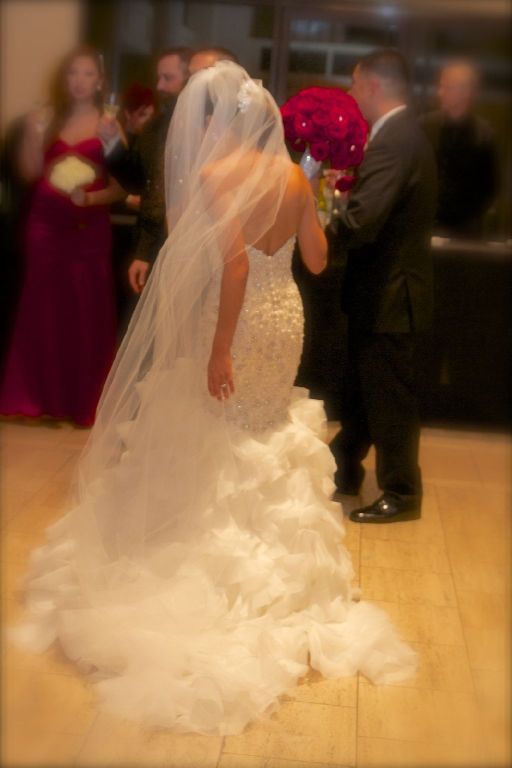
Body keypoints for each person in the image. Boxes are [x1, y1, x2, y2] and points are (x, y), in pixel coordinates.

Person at [10, 62, 416, 735]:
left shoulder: (217, 176)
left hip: (240, 318)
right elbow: (317, 262)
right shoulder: (294, 177)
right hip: (285, 319)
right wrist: (312, 193)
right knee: (265, 425)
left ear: (224, 122)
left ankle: (213, 551)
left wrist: (220, 346)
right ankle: (281, 566)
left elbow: (233, 264)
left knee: (219, 424)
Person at [328, 49, 437, 523]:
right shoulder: (401, 133)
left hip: (391, 293)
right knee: (364, 390)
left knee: (390, 399)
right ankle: (343, 467)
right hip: (385, 291)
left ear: (373, 86)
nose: (352, 94)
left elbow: (364, 221)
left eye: (355, 84)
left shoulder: (394, 139)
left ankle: (402, 492)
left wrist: (322, 222)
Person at [0, 46, 125, 427]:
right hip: (44, 223)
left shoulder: (109, 123)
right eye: (73, 73)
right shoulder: (48, 119)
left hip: (89, 227)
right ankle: (36, 397)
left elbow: (122, 187)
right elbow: (29, 173)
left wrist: (91, 199)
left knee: (85, 306)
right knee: (42, 306)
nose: (79, 81)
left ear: (99, 81)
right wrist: (35, 135)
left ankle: (80, 399)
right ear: (64, 79)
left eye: (88, 74)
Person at [101, 47, 193, 295]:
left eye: (168, 78)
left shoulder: (213, 130)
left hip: (195, 248)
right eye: (159, 77)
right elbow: (136, 181)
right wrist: (112, 144)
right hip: (154, 246)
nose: (159, 86)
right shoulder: (156, 127)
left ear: (190, 78)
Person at [420, 60, 498, 239]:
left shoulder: (483, 135)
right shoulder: (425, 126)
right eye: (441, 86)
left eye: (447, 87)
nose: (440, 93)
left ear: (466, 92)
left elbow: (489, 188)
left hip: (465, 232)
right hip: (424, 225)